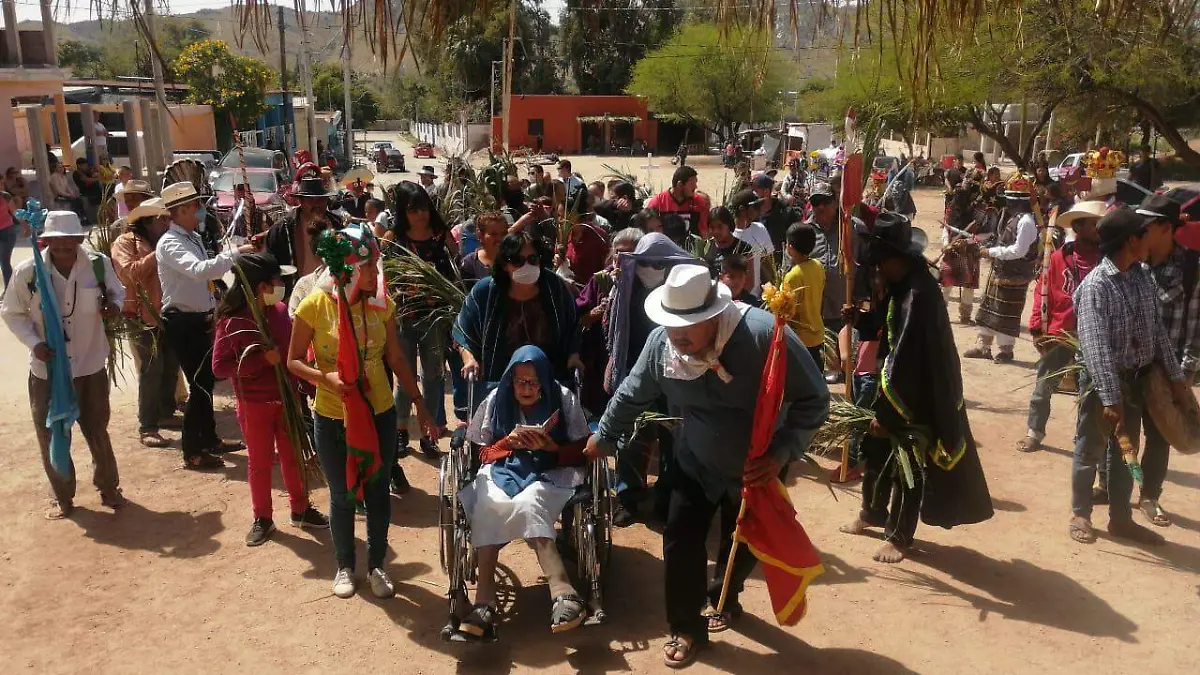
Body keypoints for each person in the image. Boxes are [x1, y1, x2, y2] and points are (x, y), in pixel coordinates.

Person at [585, 264, 829, 668]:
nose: (676, 337)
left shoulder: (765, 336)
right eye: (671, 326)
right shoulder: (662, 345)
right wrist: (605, 435)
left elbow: (814, 399)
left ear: (714, 316)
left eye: (687, 328)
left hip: (758, 464)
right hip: (696, 457)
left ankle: (725, 596)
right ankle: (685, 627)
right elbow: (632, 393)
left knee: (743, 538)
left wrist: (782, 452)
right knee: (680, 537)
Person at [288, 225, 436, 597]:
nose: (375, 273)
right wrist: (326, 378)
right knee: (341, 496)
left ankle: (377, 566)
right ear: (349, 269)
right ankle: (344, 566)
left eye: (375, 265)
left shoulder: (382, 304)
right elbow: (293, 361)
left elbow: (396, 358)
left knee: (377, 491)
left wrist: (420, 403)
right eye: (368, 266)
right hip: (332, 415)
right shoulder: (314, 305)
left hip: (380, 412)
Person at [840, 212, 993, 562]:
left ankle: (899, 536)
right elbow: (885, 325)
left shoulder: (919, 294)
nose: (878, 269)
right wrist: (860, 320)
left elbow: (907, 359)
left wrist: (886, 413)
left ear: (897, 258)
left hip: (919, 393)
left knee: (906, 463)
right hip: (894, 384)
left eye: (882, 262)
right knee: (876, 450)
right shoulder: (899, 285)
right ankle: (872, 512)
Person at [1070, 207, 1191, 546]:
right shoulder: (1097, 286)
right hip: (1102, 383)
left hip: (1136, 381)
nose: (1148, 239)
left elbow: (1157, 333)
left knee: (1126, 451)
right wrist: (1111, 399)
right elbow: (1096, 348)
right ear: (1130, 241)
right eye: (1143, 234)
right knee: (1090, 448)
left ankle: (1121, 520)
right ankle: (1080, 514)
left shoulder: (1141, 276)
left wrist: (1176, 378)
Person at [455, 345, 593, 639]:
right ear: (511, 380)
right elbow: (482, 454)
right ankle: (484, 602)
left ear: (544, 381)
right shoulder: (496, 399)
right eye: (521, 381)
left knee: (531, 502)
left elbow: (584, 450)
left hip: (550, 471)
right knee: (487, 504)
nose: (527, 388)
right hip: (503, 469)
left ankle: (563, 591)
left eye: (533, 382)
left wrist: (551, 447)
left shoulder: (563, 398)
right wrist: (507, 443)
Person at [1, 210, 126, 519]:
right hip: (47, 371)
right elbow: (12, 313)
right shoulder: (29, 271)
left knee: (97, 429)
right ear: (45, 241)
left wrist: (113, 306)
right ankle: (62, 496)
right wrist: (35, 343)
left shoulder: (97, 265)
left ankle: (108, 488)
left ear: (78, 239)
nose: (62, 247)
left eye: (68, 241)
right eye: (55, 241)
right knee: (51, 433)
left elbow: (117, 293)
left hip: (90, 364)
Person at [212, 252, 329, 546]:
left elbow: (293, 355)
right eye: (277, 280)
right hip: (254, 405)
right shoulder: (231, 320)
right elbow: (220, 367)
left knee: (293, 457)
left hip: (286, 399)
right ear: (261, 286)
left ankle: (300, 509)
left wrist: (310, 388)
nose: (281, 285)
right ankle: (262, 518)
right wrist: (261, 361)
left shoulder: (279, 312)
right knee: (260, 463)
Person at [157, 182, 257, 470]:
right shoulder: (171, 243)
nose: (200, 211)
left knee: (206, 382)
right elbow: (200, 271)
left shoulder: (192, 238)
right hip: (183, 322)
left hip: (201, 319)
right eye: (195, 206)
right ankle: (192, 450)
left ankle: (210, 439)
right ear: (181, 210)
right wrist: (237, 253)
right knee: (200, 385)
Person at [604, 233, 699, 526]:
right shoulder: (626, 286)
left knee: (675, 439)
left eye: (658, 264)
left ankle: (666, 498)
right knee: (630, 439)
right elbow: (617, 331)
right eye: (644, 262)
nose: (650, 269)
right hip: (637, 373)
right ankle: (629, 498)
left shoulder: (683, 291)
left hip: (677, 376)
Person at [1017, 201, 1105, 454]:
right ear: (1078, 227)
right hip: (1060, 331)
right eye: (1094, 224)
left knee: (1089, 391)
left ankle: (1083, 438)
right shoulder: (1058, 258)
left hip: (1095, 334)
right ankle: (1034, 432)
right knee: (1044, 385)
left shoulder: (1107, 259)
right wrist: (1037, 326)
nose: (1099, 229)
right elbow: (1042, 291)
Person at [1138, 194, 1200, 527]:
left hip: (1167, 370)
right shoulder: (1132, 259)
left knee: (1159, 436)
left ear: (1165, 228)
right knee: (1119, 430)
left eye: (1146, 225)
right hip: (1130, 364)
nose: (1140, 231)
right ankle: (1109, 486)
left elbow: (1196, 326)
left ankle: (1150, 495)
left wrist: (1186, 372)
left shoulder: (1192, 269)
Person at [387, 181, 458, 462]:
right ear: (403, 212)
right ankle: (401, 429)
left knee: (434, 377)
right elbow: (386, 277)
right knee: (405, 378)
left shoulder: (441, 235)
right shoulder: (394, 239)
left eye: (424, 208)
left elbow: (455, 270)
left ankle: (431, 433)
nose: (420, 215)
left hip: (434, 319)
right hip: (404, 318)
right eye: (413, 210)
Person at [110, 198, 180, 447]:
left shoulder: (165, 240)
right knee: (152, 369)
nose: (167, 224)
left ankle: (165, 412)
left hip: (167, 311)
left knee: (170, 364)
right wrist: (158, 254)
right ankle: (147, 426)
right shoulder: (125, 242)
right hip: (140, 314)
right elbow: (129, 273)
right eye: (162, 220)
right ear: (148, 221)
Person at [965, 178, 1042, 363]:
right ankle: (983, 347)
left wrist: (990, 252)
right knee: (988, 309)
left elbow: (1018, 251)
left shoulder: (1026, 222)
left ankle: (1006, 351)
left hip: (1015, 275)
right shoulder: (1012, 218)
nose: (1006, 204)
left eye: (1009, 200)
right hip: (1000, 272)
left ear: (1017, 202)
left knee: (1006, 314)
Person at [267, 177, 342, 285]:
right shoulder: (283, 229)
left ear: (327, 201)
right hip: (297, 290)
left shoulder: (337, 224)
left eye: (320, 200)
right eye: (310, 200)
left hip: (331, 289)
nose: (316, 205)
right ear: (300, 201)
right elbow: (271, 266)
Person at [781, 223, 826, 365]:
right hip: (817, 334)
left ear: (790, 247)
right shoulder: (818, 266)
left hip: (800, 339)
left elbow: (787, 311)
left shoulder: (793, 276)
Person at [728, 190, 776, 298]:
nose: (759, 210)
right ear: (742, 210)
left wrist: (771, 289)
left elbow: (766, 263)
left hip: (757, 297)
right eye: (756, 207)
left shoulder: (760, 229)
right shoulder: (730, 235)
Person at [645, 166, 711, 237]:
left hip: (691, 244)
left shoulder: (699, 203)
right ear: (680, 185)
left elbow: (704, 232)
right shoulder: (658, 203)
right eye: (692, 184)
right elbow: (649, 234)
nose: (695, 187)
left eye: (695, 183)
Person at [702, 206, 754, 275]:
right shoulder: (705, 247)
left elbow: (750, 279)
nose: (716, 231)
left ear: (729, 225)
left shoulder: (744, 249)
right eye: (712, 227)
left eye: (720, 226)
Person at [72, 158, 101, 226]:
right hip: (86, 194)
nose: (86, 166)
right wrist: (98, 179)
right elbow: (87, 180)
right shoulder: (77, 173)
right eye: (84, 165)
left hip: (95, 193)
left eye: (86, 165)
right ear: (79, 165)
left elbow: (94, 175)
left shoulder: (87, 172)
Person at [0, 186, 18, 287]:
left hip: (7, 231)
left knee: (4, 261)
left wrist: (26, 226)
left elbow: (15, 212)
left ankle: (9, 289)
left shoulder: (5, 196)